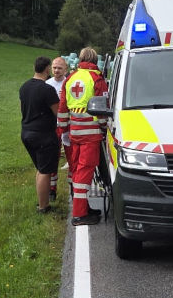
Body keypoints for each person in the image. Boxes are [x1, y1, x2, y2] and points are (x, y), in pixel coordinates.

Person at [58, 46, 108, 225]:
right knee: (84, 172)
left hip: (73, 134)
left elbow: (63, 107)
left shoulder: (70, 78)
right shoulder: (96, 78)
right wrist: (103, 128)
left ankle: (84, 207)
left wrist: (62, 130)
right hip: (90, 135)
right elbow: (102, 109)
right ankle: (79, 215)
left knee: (76, 169)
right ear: (95, 60)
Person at [21, 56, 61, 213]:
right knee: (45, 171)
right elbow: (58, 112)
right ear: (47, 69)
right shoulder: (47, 89)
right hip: (43, 135)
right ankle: (43, 207)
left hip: (26, 132)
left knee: (40, 168)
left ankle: (41, 201)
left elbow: (22, 109)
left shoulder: (24, 87)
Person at [45, 56, 70, 199]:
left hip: (67, 126)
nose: (56, 70)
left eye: (59, 68)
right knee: (53, 158)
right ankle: (52, 189)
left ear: (65, 69)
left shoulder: (70, 83)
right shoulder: (47, 84)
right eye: (54, 67)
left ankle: (73, 188)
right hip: (52, 127)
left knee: (71, 156)